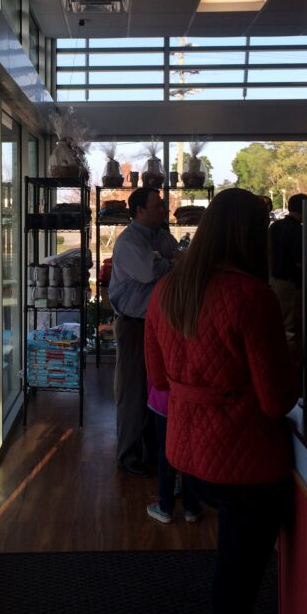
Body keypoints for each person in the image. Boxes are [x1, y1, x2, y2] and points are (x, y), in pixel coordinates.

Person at [145, 188, 299, 614]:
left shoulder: (167, 291)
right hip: (250, 473)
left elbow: (160, 380)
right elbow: (278, 399)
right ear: (251, 237)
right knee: (237, 601)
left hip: (193, 460)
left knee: (233, 590)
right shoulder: (253, 297)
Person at [108, 186, 179, 476]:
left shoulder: (161, 236)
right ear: (138, 211)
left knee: (157, 388)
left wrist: (171, 261)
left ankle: (151, 452)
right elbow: (152, 270)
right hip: (134, 325)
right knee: (133, 391)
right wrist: (172, 262)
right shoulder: (128, 241)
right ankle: (129, 456)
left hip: (158, 325)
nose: (164, 210)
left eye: (162, 205)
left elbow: (176, 258)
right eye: (157, 206)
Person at [146, 375, 203, 524]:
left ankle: (165, 506)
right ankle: (191, 507)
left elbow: (155, 374)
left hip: (165, 399)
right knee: (192, 451)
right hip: (195, 398)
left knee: (166, 452)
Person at [268, 191, 307, 345]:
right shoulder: (298, 230)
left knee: (278, 322)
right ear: (304, 209)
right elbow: (298, 260)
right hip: (290, 283)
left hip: (273, 280)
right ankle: (292, 359)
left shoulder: (275, 227)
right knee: (290, 325)